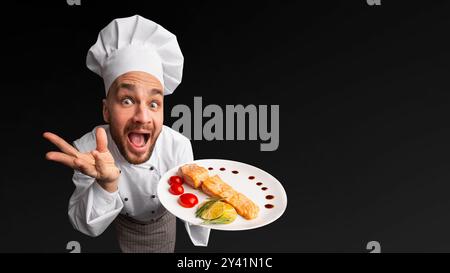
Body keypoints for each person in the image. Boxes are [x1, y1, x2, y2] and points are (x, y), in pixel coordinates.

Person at [43, 15, 210, 253]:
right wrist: (106, 184)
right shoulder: (87, 149)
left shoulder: (178, 145)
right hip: (126, 225)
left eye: (154, 103)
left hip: (164, 223)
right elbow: (84, 225)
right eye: (127, 100)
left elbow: (193, 203)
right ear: (106, 110)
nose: (142, 116)